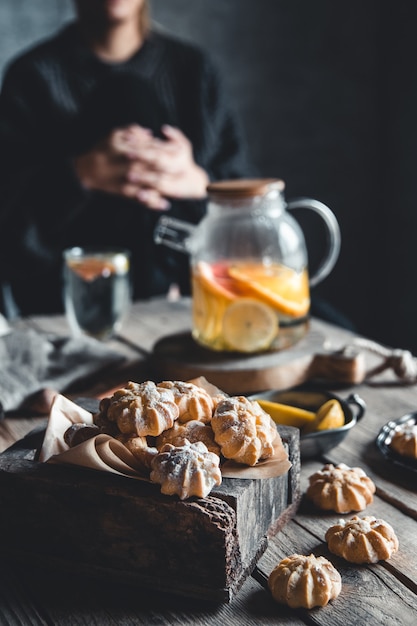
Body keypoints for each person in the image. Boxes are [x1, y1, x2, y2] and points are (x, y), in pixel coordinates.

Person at [0, 0, 254, 317]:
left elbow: (250, 220)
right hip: (67, 301)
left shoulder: (194, 72)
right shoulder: (32, 78)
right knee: (124, 97)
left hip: (186, 291)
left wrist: (196, 183)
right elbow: (10, 242)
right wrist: (81, 176)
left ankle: (158, 294)